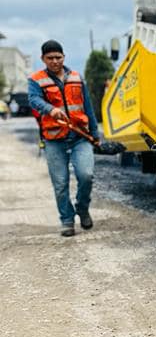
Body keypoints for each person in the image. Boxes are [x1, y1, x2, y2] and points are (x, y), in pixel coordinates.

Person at [28, 40, 100, 237]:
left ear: (64, 57)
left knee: (86, 175)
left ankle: (82, 208)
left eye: (58, 57)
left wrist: (95, 134)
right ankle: (67, 220)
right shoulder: (36, 79)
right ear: (43, 59)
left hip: (80, 136)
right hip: (53, 139)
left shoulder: (76, 77)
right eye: (50, 58)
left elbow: (88, 107)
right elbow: (33, 99)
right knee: (60, 183)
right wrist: (51, 109)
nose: (54, 61)